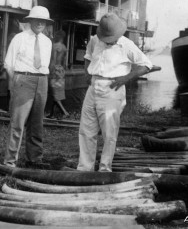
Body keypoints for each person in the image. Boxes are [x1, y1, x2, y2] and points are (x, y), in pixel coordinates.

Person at [77, 13, 153, 172]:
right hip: (93, 86)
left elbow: (146, 65)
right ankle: (85, 169)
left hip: (113, 89)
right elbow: (88, 56)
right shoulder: (94, 40)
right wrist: (86, 74)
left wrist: (126, 78)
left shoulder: (126, 45)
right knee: (86, 130)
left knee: (109, 133)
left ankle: (105, 169)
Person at [3, 6, 53, 169]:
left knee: (37, 123)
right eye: (37, 20)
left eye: (43, 21)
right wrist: (17, 83)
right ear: (30, 20)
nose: (40, 23)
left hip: (42, 81)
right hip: (23, 79)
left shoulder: (47, 42)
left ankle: (34, 158)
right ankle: (10, 161)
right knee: (18, 122)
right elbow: (9, 64)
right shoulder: (19, 38)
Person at [47, 30, 69, 119]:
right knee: (55, 92)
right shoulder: (64, 47)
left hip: (54, 70)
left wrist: (50, 71)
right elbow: (65, 63)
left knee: (54, 92)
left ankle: (64, 112)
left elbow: (53, 60)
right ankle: (52, 114)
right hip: (61, 71)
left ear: (58, 37)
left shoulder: (54, 46)